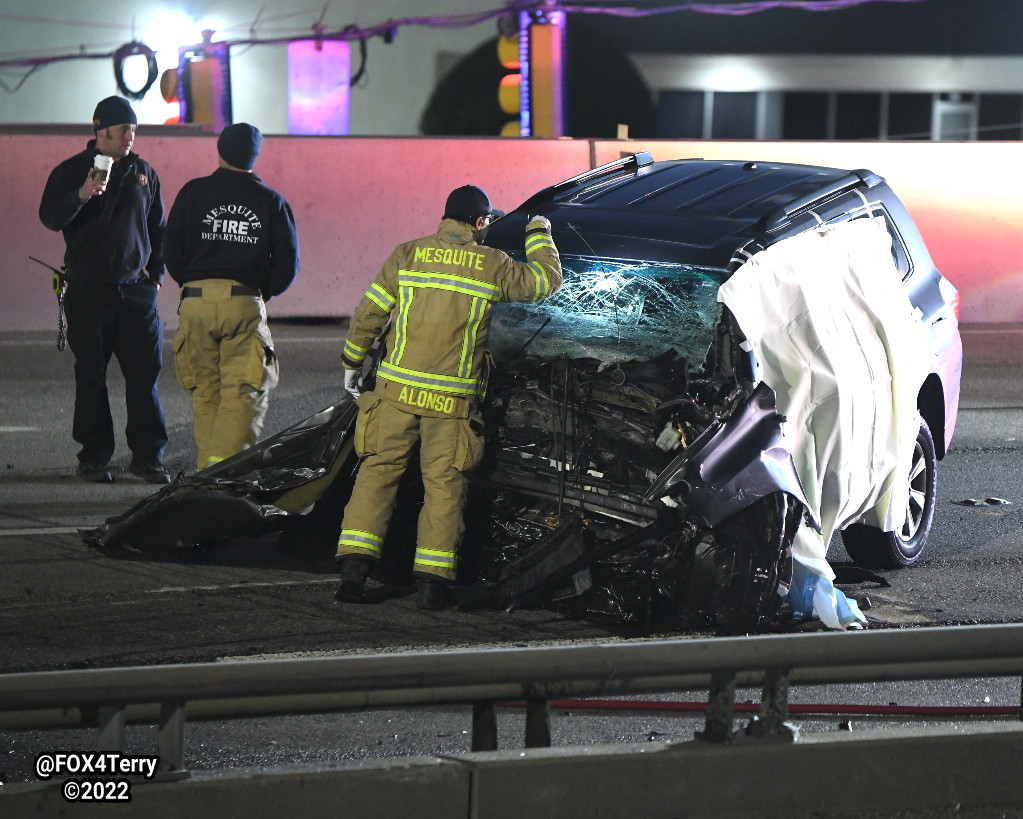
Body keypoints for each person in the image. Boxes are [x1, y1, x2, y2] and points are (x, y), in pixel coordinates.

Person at [335, 185, 562, 610]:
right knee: (444, 486)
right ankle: (431, 587)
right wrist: (538, 229)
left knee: (377, 475)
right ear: (480, 223)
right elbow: (545, 281)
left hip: (395, 392)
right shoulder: (493, 264)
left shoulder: (408, 254)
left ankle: (353, 574)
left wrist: (353, 360)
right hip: (452, 403)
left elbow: (370, 313)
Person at [39, 96, 170, 484]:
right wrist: (82, 194)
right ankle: (94, 456)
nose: (130, 136)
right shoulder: (71, 171)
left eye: (133, 130)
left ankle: (148, 457)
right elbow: (49, 217)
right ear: (101, 132)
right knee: (92, 376)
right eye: (122, 130)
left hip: (136, 292)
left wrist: (156, 275)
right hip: (88, 289)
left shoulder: (144, 172)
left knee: (144, 376)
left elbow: (159, 229)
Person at [164, 123, 300, 471]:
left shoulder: (192, 193)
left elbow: (171, 251)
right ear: (255, 156)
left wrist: (196, 284)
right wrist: (258, 291)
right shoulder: (271, 201)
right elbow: (287, 266)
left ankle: (205, 477)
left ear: (220, 151)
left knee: (206, 394)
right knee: (243, 394)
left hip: (195, 301)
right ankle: (224, 478)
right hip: (243, 302)